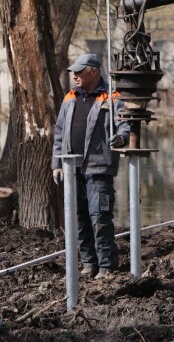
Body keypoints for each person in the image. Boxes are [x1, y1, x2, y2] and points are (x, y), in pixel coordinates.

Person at [51, 53, 130, 278]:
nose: (74, 76)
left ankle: (106, 267)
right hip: (71, 168)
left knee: (99, 217)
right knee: (79, 218)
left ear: (94, 71)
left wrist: (122, 139)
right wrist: (57, 163)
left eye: (79, 71)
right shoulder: (69, 98)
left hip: (98, 169)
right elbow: (59, 133)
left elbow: (124, 125)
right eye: (73, 72)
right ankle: (88, 265)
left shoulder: (111, 97)